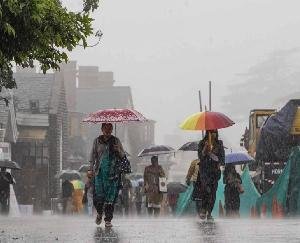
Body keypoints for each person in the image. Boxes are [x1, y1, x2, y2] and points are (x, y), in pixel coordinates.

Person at [88, 123, 126, 227]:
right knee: (98, 198)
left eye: (110, 128)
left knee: (111, 198)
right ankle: (100, 213)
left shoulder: (116, 141)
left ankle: (108, 219)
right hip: (100, 173)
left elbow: (123, 156)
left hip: (113, 174)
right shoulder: (97, 141)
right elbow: (93, 156)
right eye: (106, 128)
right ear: (102, 129)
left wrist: (118, 149)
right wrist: (90, 169)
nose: (108, 130)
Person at [192, 130, 225, 221]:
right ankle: (203, 209)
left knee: (212, 193)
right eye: (211, 132)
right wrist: (205, 149)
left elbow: (222, 159)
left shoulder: (219, 144)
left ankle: (209, 212)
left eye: (214, 132)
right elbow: (200, 157)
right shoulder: (202, 143)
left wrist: (217, 161)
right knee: (205, 190)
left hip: (214, 172)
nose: (213, 134)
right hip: (204, 172)